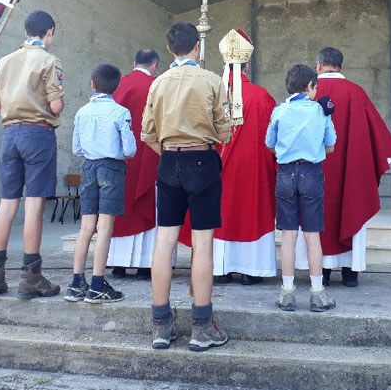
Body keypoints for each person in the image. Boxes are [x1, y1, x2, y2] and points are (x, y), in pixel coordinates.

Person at [141, 21, 230, 351]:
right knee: (202, 243)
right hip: (202, 159)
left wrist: (169, 152)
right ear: (197, 47)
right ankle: (201, 327)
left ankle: (161, 325)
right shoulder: (212, 80)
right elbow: (225, 130)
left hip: (169, 160)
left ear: (169, 50)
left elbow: (148, 133)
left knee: (165, 239)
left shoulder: (158, 83)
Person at [179, 29, 277, 285]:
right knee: (249, 210)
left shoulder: (208, 93)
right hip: (252, 170)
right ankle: (250, 270)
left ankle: (219, 268)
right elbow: (272, 141)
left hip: (215, 168)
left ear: (224, 63)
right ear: (246, 65)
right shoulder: (261, 96)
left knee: (218, 210)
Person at [297, 47, 391, 288]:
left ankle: (322, 272)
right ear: (340, 65)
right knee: (352, 206)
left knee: (317, 214)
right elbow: (378, 136)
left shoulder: (310, 91)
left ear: (319, 65)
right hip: (351, 171)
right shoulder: (356, 92)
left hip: (314, 169)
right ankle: (351, 273)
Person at [0, 10, 64, 300]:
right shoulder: (49, 61)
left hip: (10, 135)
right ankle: (31, 276)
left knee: (7, 203)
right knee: (34, 205)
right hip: (37, 134)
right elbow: (56, 107)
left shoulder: (5, 61)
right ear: (50, 31)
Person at [266, 64, 337, 312]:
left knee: (288, 235)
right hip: (311, 172)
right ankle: (317, 293)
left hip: (286, 172)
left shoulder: (280, 110)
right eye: (315, 87)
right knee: (312, 234)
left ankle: (287, 292)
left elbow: (269, 143)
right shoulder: (319, 111)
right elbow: (331, 145)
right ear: (309, 86)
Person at [65, 64, 136, 303]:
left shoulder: (81, 112)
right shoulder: (120, 112)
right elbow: (130, 149)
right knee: (104, 227)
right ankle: (97, 284)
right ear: (116, 87)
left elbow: (76, 148)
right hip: (111, 168)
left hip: (88, 166)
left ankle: (76, 283)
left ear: (92, 84)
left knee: (86, 227)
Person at [108, 49, 160, 280]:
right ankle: (145, 265)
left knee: (121, 206)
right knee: (147, 204)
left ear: (134, 62)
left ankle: (117, 263)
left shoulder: (118, 85)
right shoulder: (156, 85)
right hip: (149, 156)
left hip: (121, 158)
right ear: (154, 64)